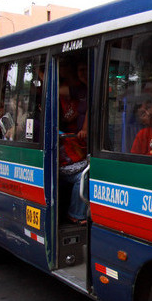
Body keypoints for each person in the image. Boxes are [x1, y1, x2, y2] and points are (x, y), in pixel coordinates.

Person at [58, 57, 89, 224]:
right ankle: (76, 214)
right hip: (75, 147)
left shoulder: (93, 90)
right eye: (80, 70)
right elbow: (57, 90)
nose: (83, 74)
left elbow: (92, 111)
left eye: (86, 69)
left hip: (83, 144)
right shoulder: (80, 91)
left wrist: (84, 129)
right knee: (84, 175)